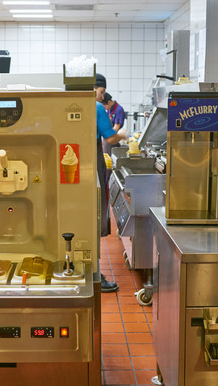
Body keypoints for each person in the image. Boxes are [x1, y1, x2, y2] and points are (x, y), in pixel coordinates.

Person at [95, 73, 124, 292]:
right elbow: (110, 138)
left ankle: (88, 272)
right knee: (94, 219)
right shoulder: (96, 109)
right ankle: (95, 276)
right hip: (92, 174)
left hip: (74, 171)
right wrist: (124, 134)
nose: (103, 96)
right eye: (101, 91)